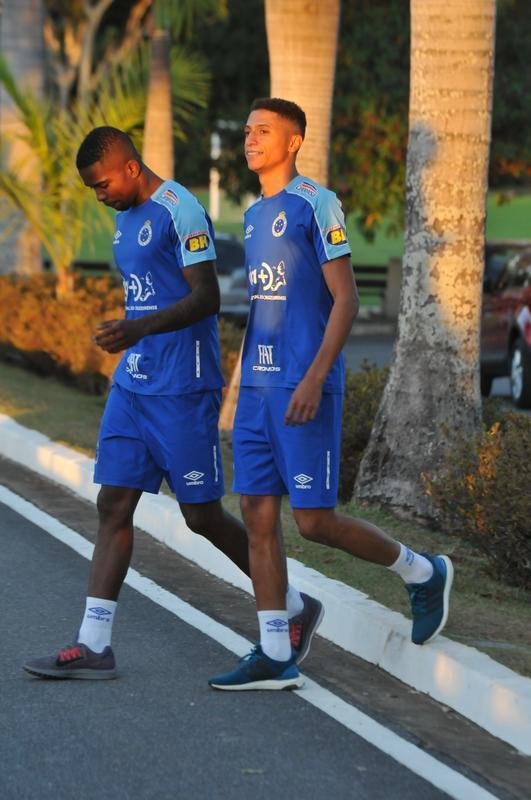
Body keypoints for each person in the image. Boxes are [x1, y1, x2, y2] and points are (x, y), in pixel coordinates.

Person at [23, 126, 322, 680]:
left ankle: (294, 605)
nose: (100, 195)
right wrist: (134, 340)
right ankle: (93, 644)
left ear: (131, 167)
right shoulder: (123, 217)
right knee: (113, 502)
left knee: (202, 516)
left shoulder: (179, 208)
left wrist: (138, 329)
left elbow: (207, 298)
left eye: (104, 183)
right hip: (134, 385)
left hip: (184, 388)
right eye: (91, 189)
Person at [208, 98, 454, 691]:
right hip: (261, 390)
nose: (250, 140)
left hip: (304, 385)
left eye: (263, 131)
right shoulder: (250, 214)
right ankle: (274, 651)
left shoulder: (317, 204)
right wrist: (238, 388)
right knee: (256, 513)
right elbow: (261, 310)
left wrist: (316, 376)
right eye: (247, 131)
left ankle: (423, 573)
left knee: (314, 522)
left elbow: (347, 299)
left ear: (293, 141)